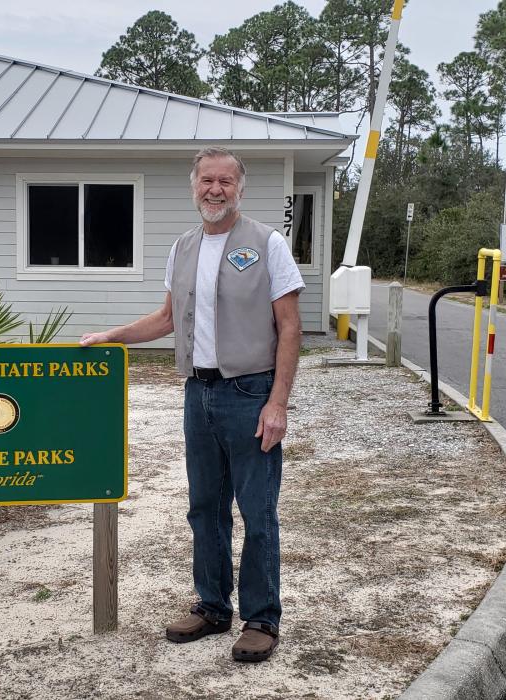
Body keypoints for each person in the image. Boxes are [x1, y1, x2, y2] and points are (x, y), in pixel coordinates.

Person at [80, 146, 302, 662]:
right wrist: (111, 336)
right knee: (205, 509)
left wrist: (278, 404)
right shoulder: (182, 247)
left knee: (258, 512)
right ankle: (211, 607)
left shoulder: (267, 244)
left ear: (240, 189)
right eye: (207, 181)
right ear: (194, 186)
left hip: (250, 393)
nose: (215, 190)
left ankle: (262, 619)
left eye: (226, 181)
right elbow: (165, 319)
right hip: (197, 393)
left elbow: (289, 327)